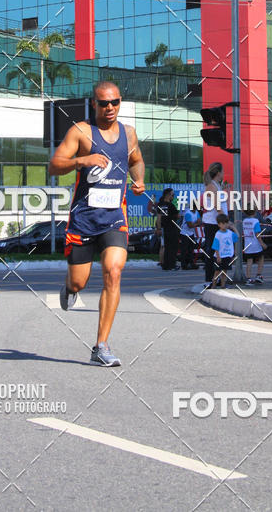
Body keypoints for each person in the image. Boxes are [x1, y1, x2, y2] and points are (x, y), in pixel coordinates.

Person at [49, 80, 145, 367]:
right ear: (94, 104)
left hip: (115, 218)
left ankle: (101, 345)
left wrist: (139, 180)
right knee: (79, 282)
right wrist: (83, 160)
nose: (110, 108)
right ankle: (70, 287)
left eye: (115, 102)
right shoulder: (81, 131)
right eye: (104, 103)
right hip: (83, 219)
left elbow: (137, 161)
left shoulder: (129, 134)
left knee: (114, 272)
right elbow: (54, 165)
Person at [201, 162, 229, 286]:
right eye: (223, 171)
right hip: (213, 223)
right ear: (218, 173)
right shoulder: (212, 186)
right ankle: (209, 279)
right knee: (212, 250)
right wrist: (226, 221)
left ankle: (215, 278)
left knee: (219, 251)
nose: (224, 173)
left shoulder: (217, 185)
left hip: (217, 222)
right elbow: (217, 206)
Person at [211, 214, 239, 289]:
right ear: (219, 224)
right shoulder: (218, 234)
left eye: (226, 223)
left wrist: (234, 228)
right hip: (219, 256)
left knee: (224, 271)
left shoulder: (230, 233)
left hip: (227, 256)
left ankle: (223, 285)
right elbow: (215, 246)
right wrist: (218, 256)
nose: (225, 225)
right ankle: (213, 285)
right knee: (217, 272)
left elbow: (237, 237)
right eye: (223, 223)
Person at [157, 188, 180, 270]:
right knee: (173, 247)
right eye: (172, 195)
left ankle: (166, 264)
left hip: (164, 228)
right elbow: (177, 216)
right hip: (172, 227)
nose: (173, 197)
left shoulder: (160, 204)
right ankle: (172, 265)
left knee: (166, 247)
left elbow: (159, 217)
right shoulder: (171, 205)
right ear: (168, 195)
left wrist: (159, 228)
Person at [242, 211, 266, 284]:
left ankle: (248, 278)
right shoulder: (256, 221)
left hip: (247, 244)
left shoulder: (244, 221)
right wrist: (262, 244)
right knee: (261, 258)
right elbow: (257, 234)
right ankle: (258, 275)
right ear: (255, 213)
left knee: (249, 261)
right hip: (256, 244)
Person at [180, 199, 200, 270]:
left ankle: (191, 263)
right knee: (184, 250)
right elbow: (190, 225)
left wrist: (195, 223)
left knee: (190, 249)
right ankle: (184, 264)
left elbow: (198, 221)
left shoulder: (196, 212)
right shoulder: (188, 213)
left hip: (191, 233)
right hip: (185, 233)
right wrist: (196, 223)